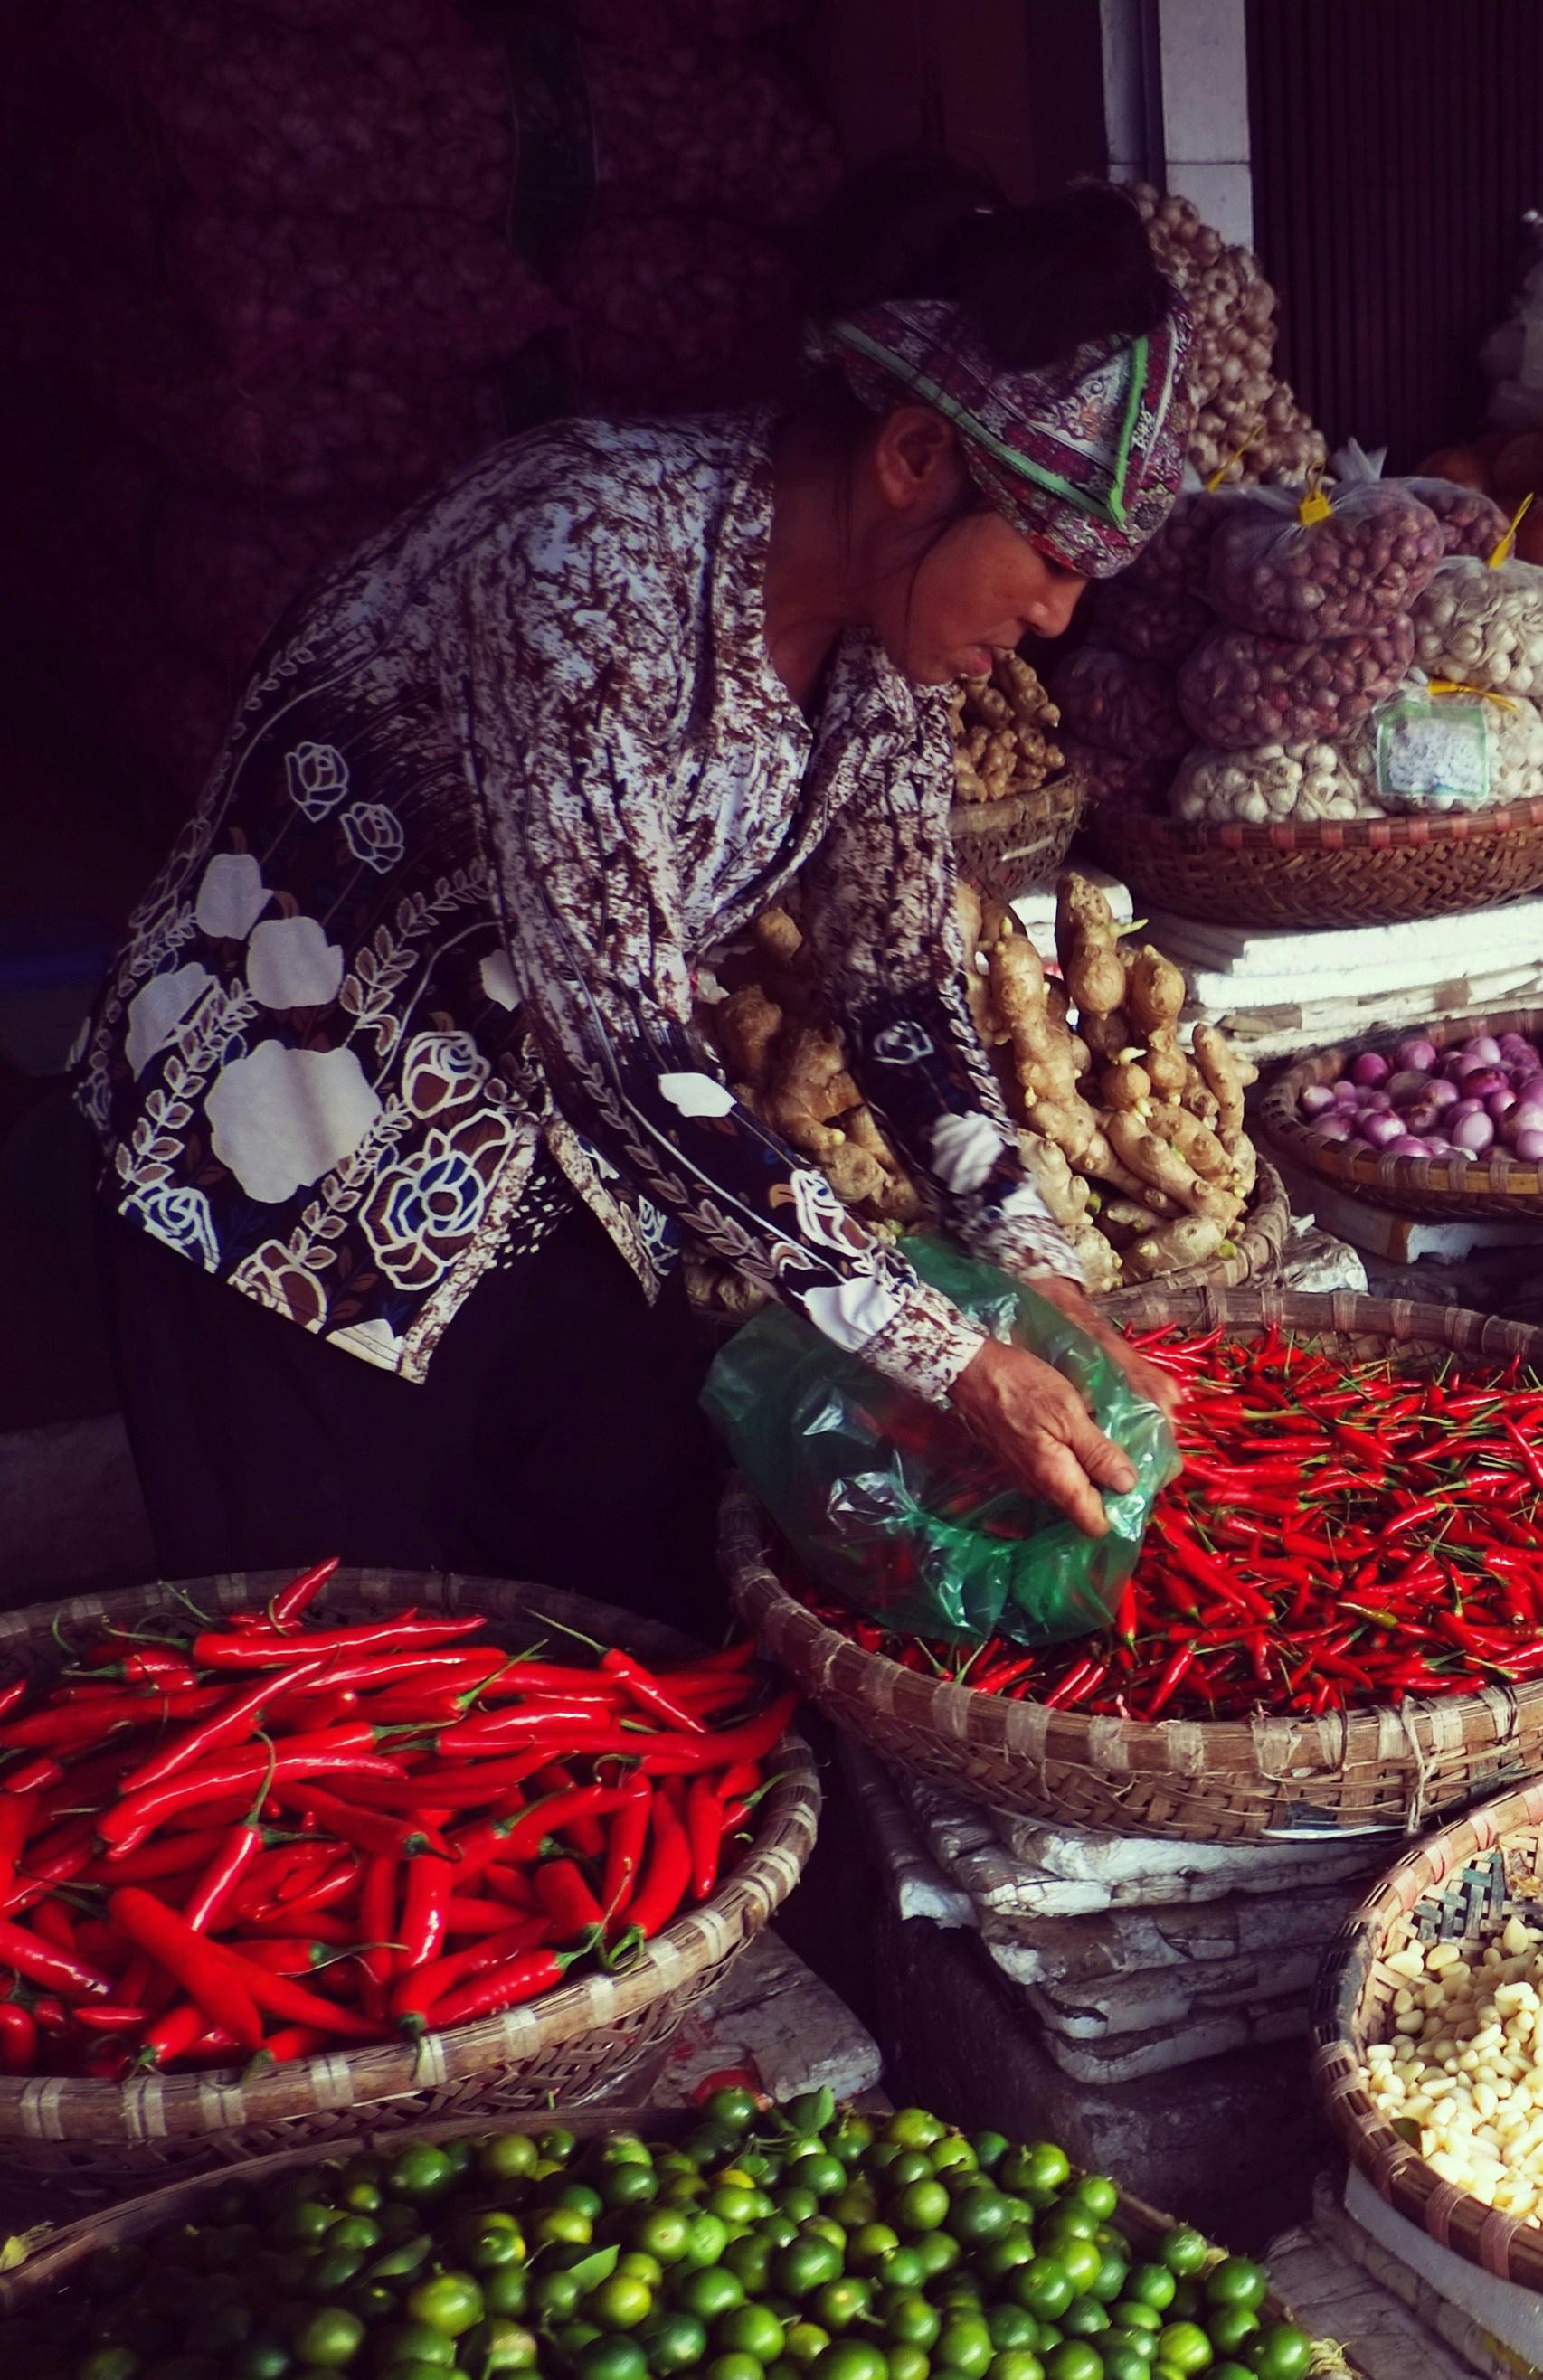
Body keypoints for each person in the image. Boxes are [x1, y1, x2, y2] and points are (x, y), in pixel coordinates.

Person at [76, 161, 1190, 1636]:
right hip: (277, 1183)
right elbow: (619, 1040)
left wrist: (1029, 1261)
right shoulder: (591, 558)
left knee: (628, 1650)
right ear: (914, 456)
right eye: (1049, 563)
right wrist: (947, 1353)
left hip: (529, 1181)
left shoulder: (883, 659)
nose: (1054, 619)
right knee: (344, 1700)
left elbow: (901, 991)